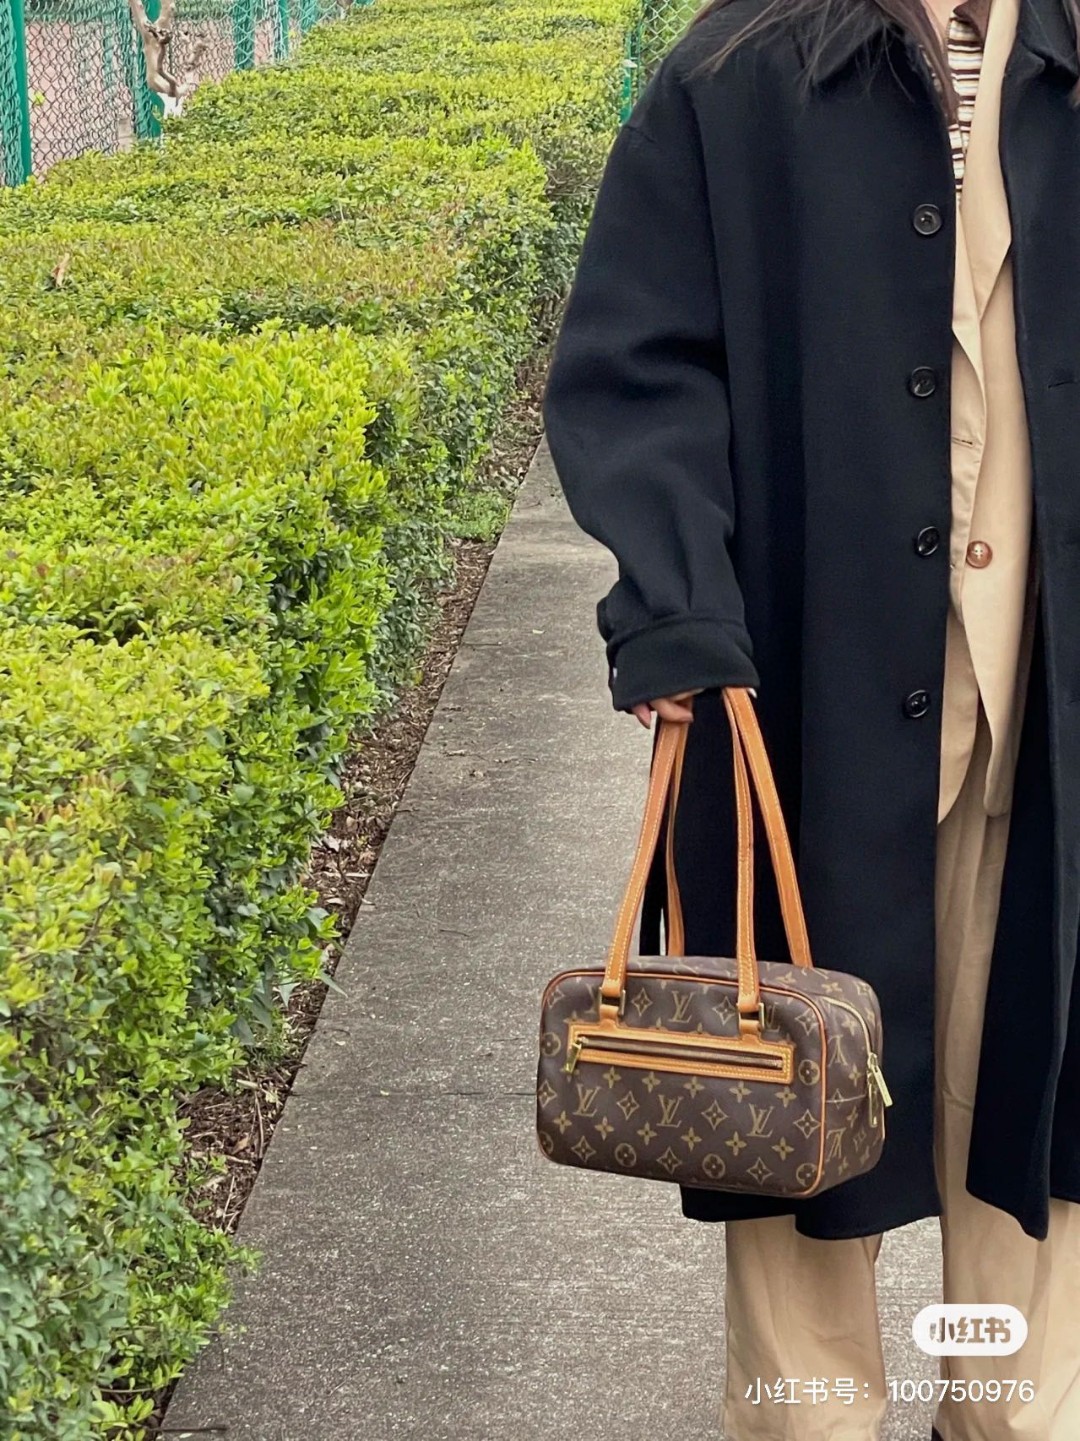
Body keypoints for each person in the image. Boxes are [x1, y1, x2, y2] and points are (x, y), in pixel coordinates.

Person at [540, 0, 1080, 1434]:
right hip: (805, 710)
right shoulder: (742, 72)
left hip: (1046, 723)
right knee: (785, 1113)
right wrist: (674, 599)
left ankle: (1005, 1410)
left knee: (1032, 1130)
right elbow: (637, 362)